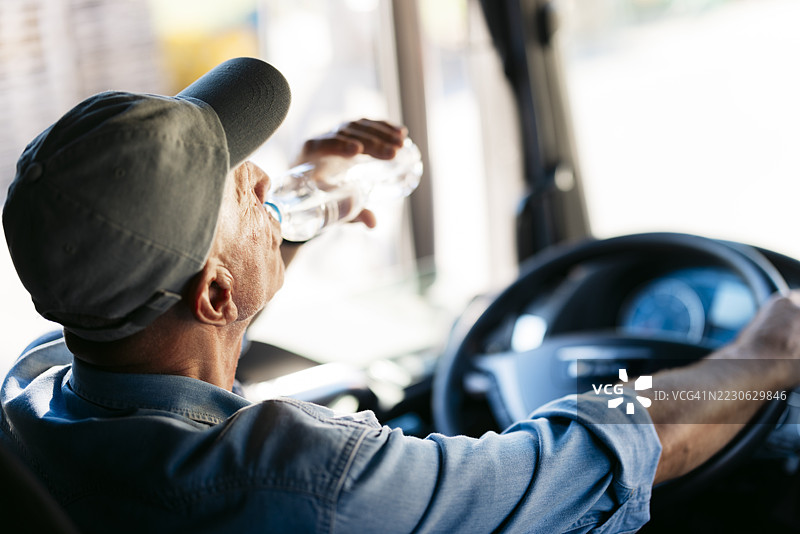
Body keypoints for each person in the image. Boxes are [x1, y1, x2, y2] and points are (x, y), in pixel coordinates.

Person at [1, 56, 800, 534]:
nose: (269, 185)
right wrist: (764, 353)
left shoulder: (34, 394)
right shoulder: (304, 479)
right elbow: (583, 459)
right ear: (213, 294)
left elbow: (188, 308)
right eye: (248, 194)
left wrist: (313, 206)